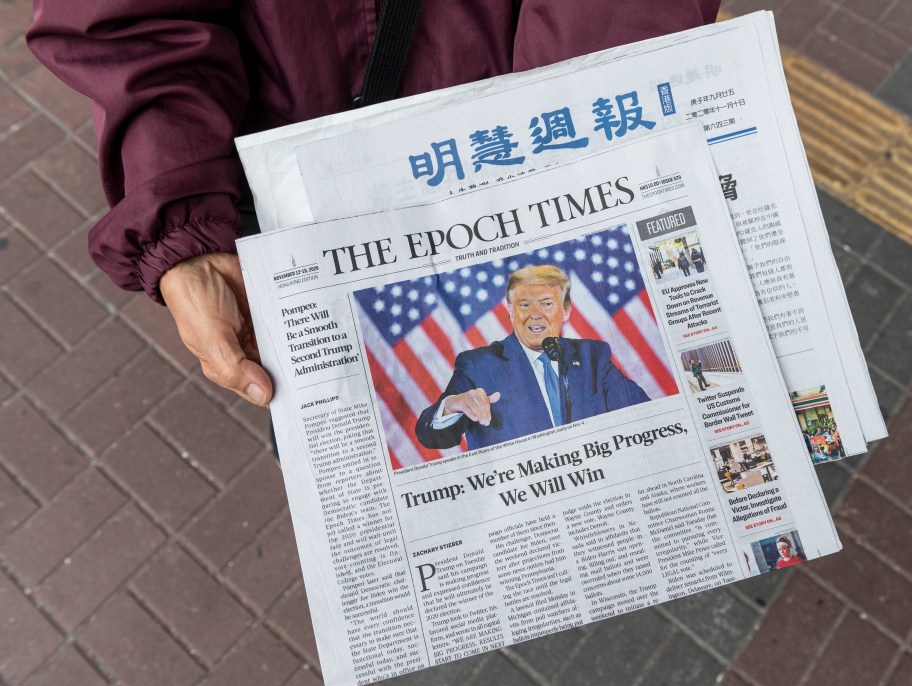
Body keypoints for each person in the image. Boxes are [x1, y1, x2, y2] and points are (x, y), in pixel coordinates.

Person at [27, 1, 722, 408]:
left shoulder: (597, 350)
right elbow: (125, 19)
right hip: (306, 209)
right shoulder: (476, 369)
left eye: (546, 304)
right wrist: (179, 223)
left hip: (548, 163)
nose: (537, 315)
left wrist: (577, 149)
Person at [415, 265, 649, 450]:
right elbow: (430, 436)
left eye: (547, 304)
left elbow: (645, 416)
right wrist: (453, 405)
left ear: (565, 311)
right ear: (510, 311)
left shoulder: (593, 358)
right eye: (524, 305)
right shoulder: (479, 365)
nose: (535, 315)